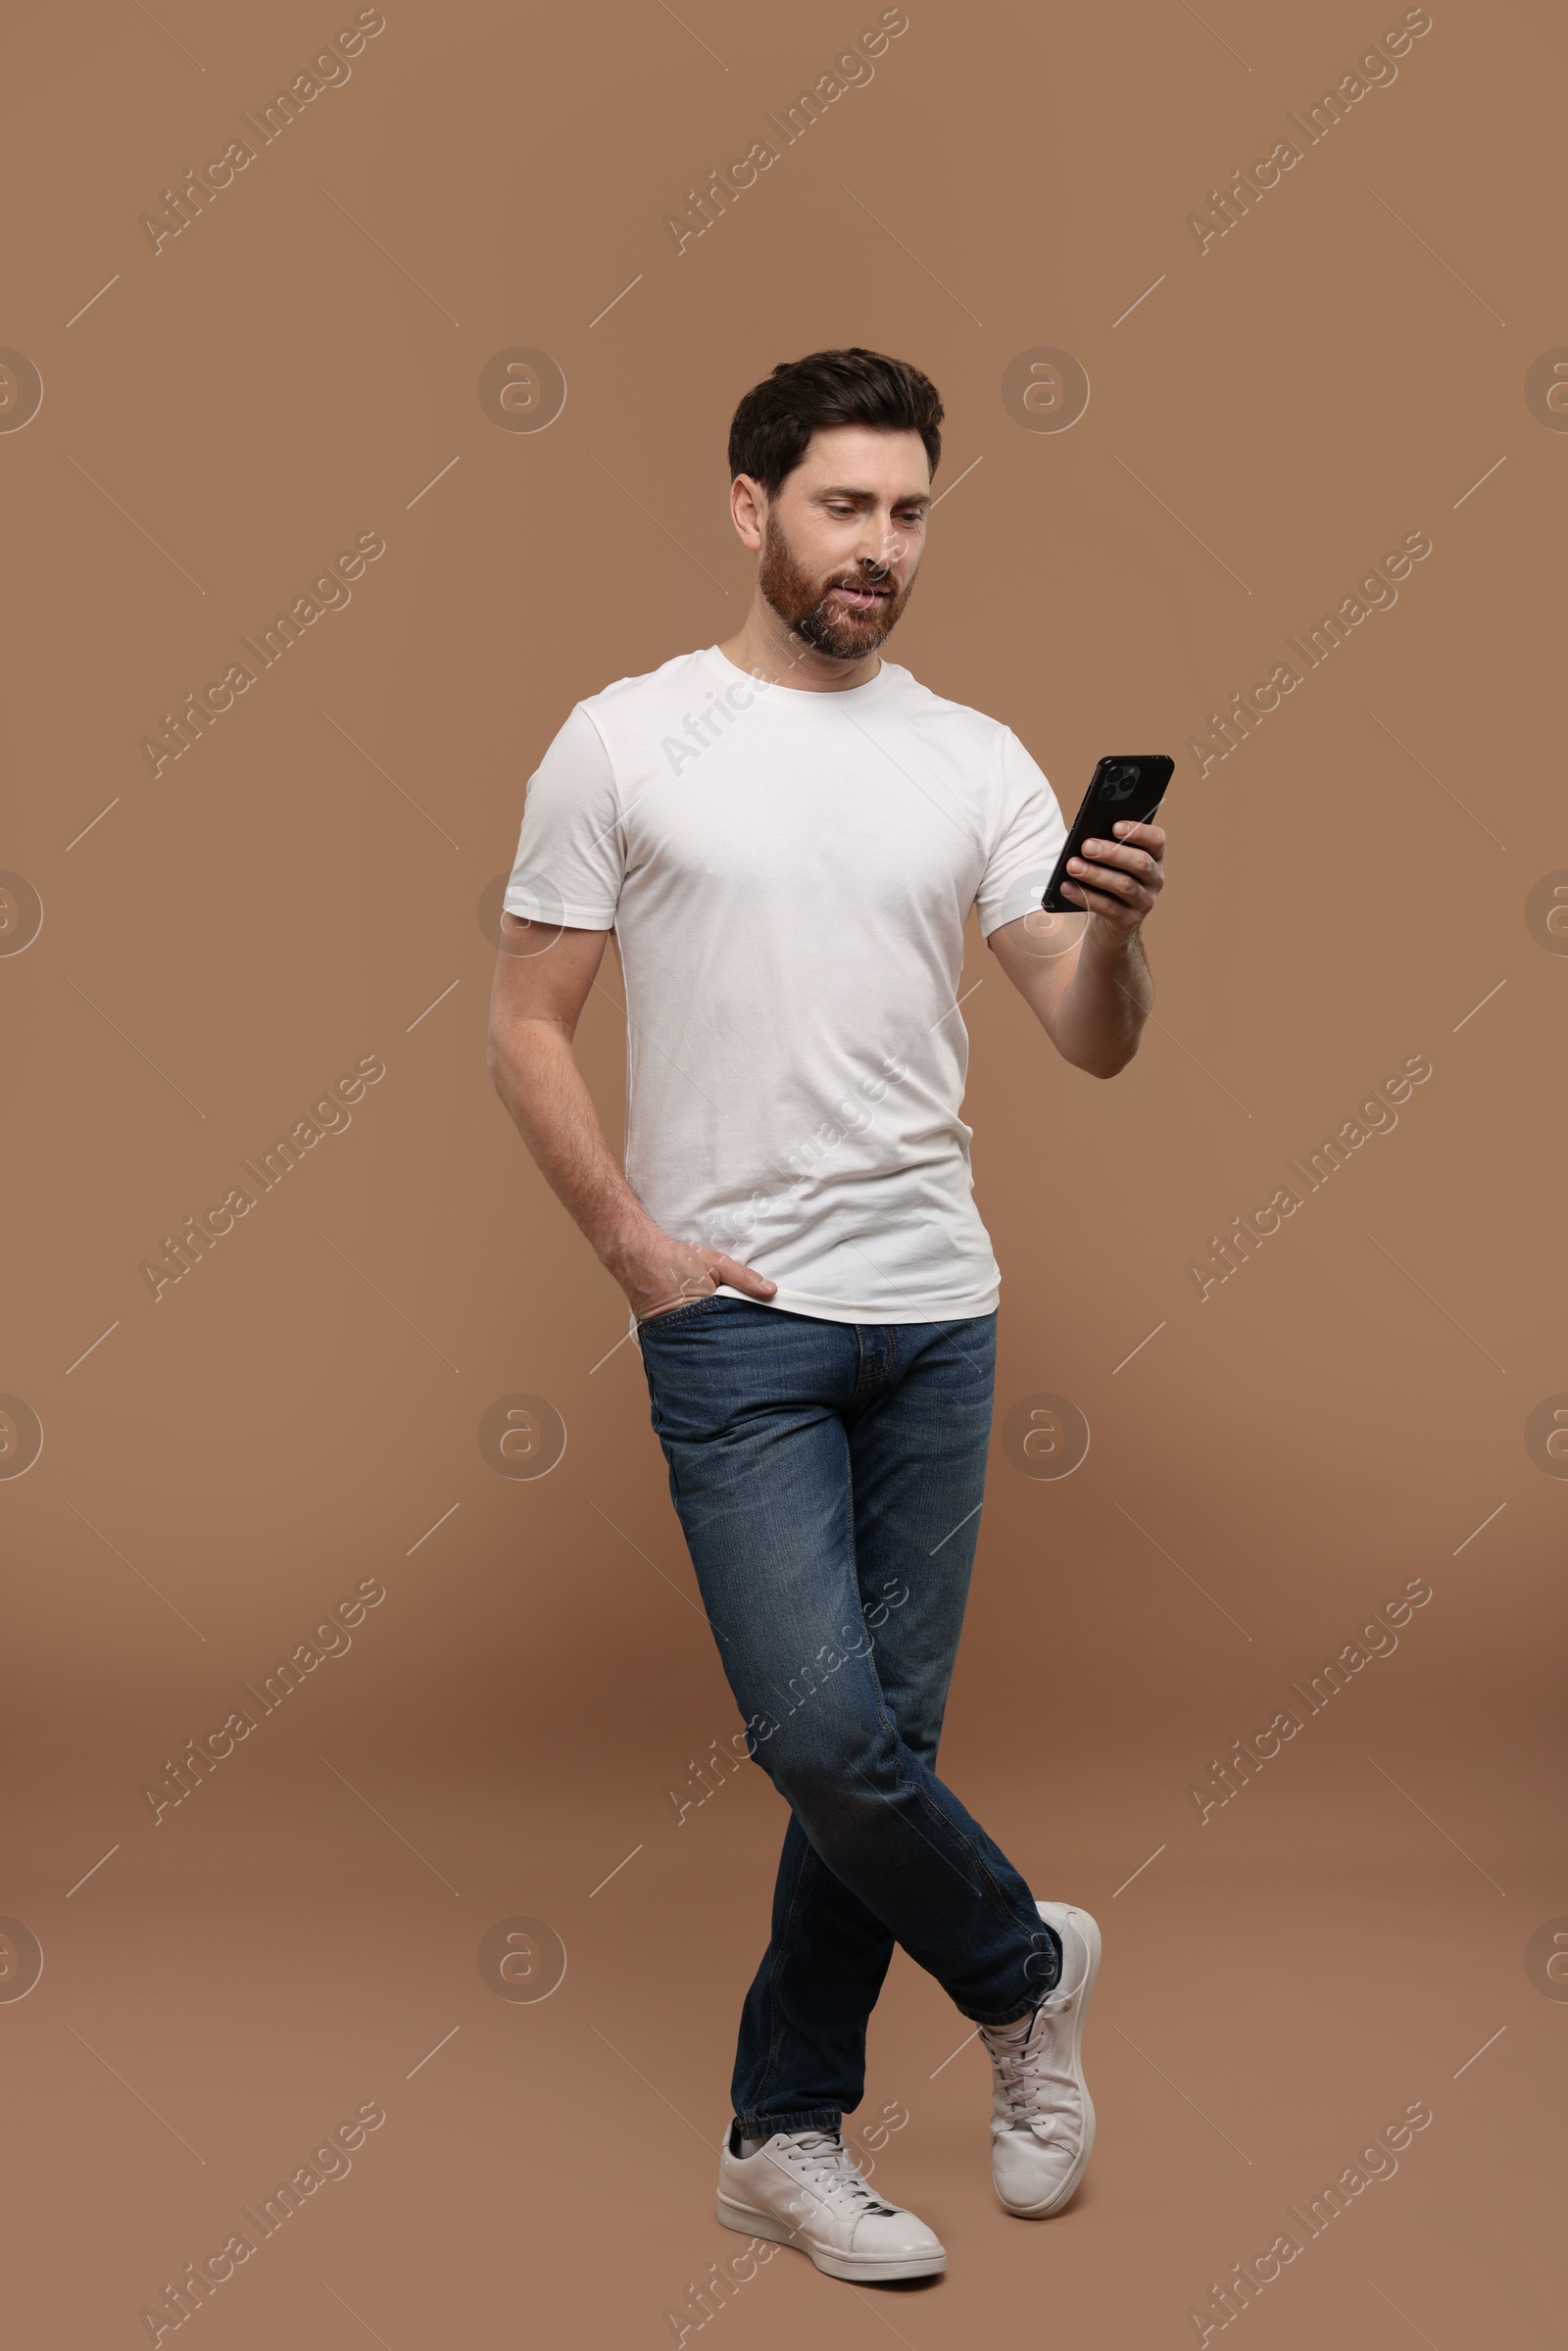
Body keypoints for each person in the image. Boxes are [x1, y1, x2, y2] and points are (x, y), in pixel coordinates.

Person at [487, 348, 1165, 2285]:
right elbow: (525, 1023)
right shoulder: (623, 740)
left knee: (876, 1742)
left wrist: (1114, 925)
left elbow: (1085, 1037)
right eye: (840, 506)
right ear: (747, 507)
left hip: (934, 1316)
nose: (878, 546)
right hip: (734, 1323)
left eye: (907, 511)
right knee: (821, 1737)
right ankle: (1027, 1976)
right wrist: (629, 1246)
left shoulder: (972, 757)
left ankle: (777, 2138)